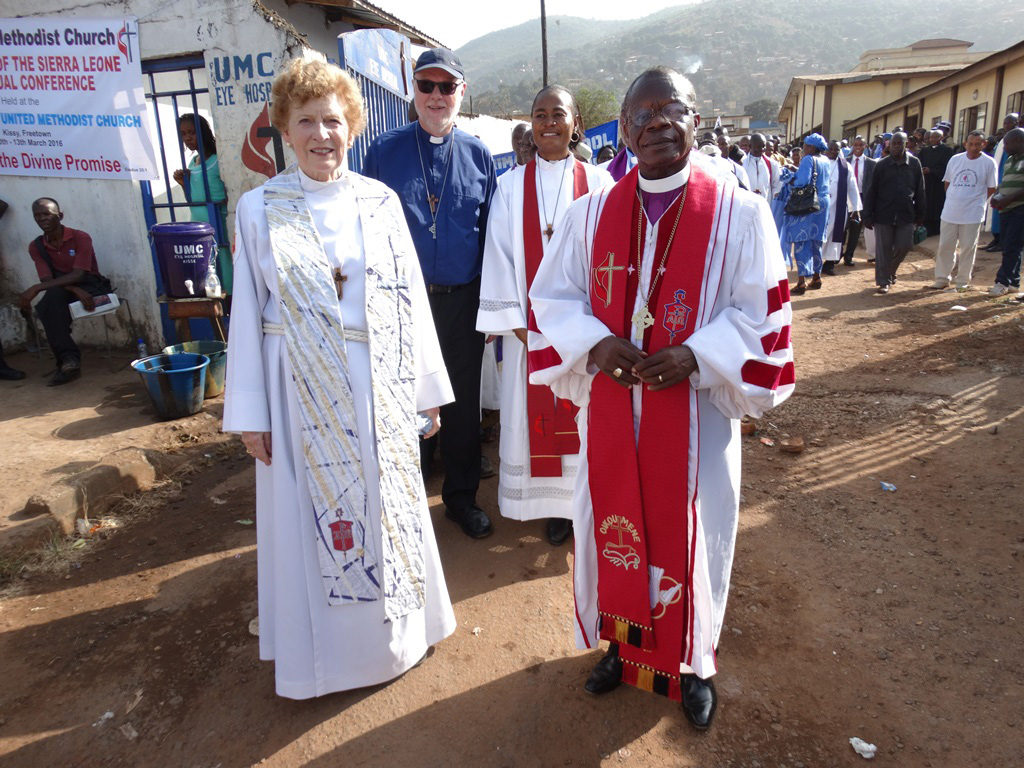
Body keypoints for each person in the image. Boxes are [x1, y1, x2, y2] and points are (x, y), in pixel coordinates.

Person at [529, 66, 794, 731]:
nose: (656, 122)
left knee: (697, 534)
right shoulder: (591, 215)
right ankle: (623, 645)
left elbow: (759, 312)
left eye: (670, 108)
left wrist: (697, 355)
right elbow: (550, 299)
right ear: (622, 129)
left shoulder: (739, 212)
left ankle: (692, 661)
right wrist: (594, 344)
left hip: (695, 417)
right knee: (612, 525)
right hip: (616, 410)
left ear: (695, 121)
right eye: (641, 113)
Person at [222, 57, 456, 700]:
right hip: (296, 388)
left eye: (333, 120)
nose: (321, 134)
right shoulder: (259, 209)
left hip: (378, 380)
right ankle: (321, 663)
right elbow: (245, 310)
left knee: (387, 511)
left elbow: (410, 299)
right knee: (313, 526)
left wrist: (426, 391)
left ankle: (397, 643)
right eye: (306, 122)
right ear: (283, 132)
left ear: (351, 124)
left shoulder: (379, 202)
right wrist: (250, 413)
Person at [363, 48, 497, 540]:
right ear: (412, 91)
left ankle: (461, 500)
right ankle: (406, 505)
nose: (437, 96)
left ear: (461, 93)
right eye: (427, 86)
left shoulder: (479, 154)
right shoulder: (383, 151)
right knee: (406, 400)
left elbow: (489, 238)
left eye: (447, 87)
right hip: (402, 302)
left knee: (461, 405)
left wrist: (490, 306)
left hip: (463, 301)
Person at [477, 85, 613, 546]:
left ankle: (578, 506)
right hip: (527, 339)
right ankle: (548, 507)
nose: (549, 123)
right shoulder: (510, 186)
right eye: (540, 114)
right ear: (531, 124)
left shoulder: (599, 184)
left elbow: (612, 259)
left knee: (582, 419)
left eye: (559, 114)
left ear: (576, 124)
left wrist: (589, 334)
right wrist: (522, 328)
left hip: (584, 339)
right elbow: (498, 257)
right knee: (533, 421)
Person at [21, 198, 112, 386]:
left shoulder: (80, 237)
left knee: (50, 302)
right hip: (63, 287)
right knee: (48, 304)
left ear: (59, 215)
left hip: (90, 284)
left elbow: (79, 274)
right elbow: (47, 279)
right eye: (37, 216)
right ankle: (69, 361)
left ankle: (67, 360)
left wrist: (36, 288)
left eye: (46, 214)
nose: (42, 219)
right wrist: (72, 289)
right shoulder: (36, 246)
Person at [928, 130, 997, 290]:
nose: (973, 148)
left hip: (973, 213)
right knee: (945, 246)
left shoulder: (988, 163)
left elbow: (991, 188)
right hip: (950, 211)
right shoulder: (955, 159)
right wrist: (955, 198)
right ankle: (942, 278)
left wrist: (975, 201)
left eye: (978, 144)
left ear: (984, 144)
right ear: (965, 144)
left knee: (967, 248)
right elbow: (947, 183)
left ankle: (962, 281)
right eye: (971, 144)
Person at [173, 113, 232, 293]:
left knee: (225, 268)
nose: (187, 138)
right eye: (183, 134)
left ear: (203, 132)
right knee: (208, 271)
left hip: (218, 225)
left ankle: (231, 305)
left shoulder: (217, 160)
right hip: (199, 228)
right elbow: (193, 200)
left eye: (192, 132)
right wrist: (184, 184)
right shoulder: (192, 162)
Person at [862, 132, 926, 294]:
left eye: (900, 143)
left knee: (904, 245)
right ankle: (883, 281)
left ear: (906, 144)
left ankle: (890, 271)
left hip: (906, 213)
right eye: (894, 144)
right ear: (889, 146)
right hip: (883, 213)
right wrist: (867, 215)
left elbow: (920, 190)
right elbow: (871, 191)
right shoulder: (881, 165)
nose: (896, 146)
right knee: (883, 249)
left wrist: (920, 214)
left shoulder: (914, 163)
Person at [782, 134, 831, 294]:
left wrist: (788, 177)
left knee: (801, 239)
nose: (803, 148)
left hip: (808, 203)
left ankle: (801, 281)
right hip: (823, 202)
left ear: (811, 147)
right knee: (816, 240)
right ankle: (817, 276)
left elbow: (802, 181)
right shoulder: (825, 160)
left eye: (805, 145)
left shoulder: (809, 159)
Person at [988, 127, 1024, 297]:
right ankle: (1014, 282)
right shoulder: (1009, 160)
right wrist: (998, 195)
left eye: (1008, 143)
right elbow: (1006, 181)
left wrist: (1010, 198)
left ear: (1019, 141)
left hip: (1019, 208)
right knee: (1013, 246)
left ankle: (1001, 282)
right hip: (1005, 209)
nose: (1005, 146)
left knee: (1010, 247)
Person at [821, 139, 861, 275]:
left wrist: (855, 208)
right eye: (831, 149)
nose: (833, 152)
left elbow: (852, 187)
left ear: (840, 151)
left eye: (836, 149)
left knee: (835, 236)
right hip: (820, 208)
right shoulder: (820, 163)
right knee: (820, 234)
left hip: (838, 208)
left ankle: (830, 264)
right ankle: (815, 263)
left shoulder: (845, 167)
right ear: (826, 150)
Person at [983, 113, 1021, 252]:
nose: (1006, 125)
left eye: (1009, 123)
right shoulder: (1005, 140)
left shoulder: (1016, 139)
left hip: (1014, 194)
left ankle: (1001, 241)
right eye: (1004, 123)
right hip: (1001, 181)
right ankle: (997, 238)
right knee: (996, 214)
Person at [843, 136, 877, 265]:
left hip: (862, 198)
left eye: (860, 145)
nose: (857, 147)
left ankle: (849, 255)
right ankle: (838, 253)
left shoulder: (871, 163)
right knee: (843, 227)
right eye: (855, 145)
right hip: (847, 198)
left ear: (865, 146)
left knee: (856, 227)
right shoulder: (845, 161)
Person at [918, 129, 954, 237]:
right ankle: (926, 227)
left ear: (941, 138)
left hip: (939, 183)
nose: (932, 139)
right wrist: (923, 169)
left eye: (935, 137)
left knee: (937, 205)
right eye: (931, 137)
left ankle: (937, 228)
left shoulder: (947, 150)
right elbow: (919, 163)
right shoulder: (924, 151)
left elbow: (947, 167)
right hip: (927, 183)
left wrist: (932, 170)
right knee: (927, 204)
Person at [741, 133, 781, 202]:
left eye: (763, 146)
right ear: (750, 146)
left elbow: (777, 185)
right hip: (747, 205)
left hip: (766, 205)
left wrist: (775, 195)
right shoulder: (742, 164)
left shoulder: (772, 164)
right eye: (758, 147)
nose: (762, 149)